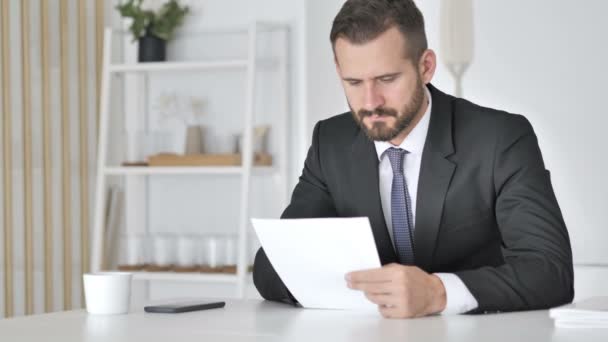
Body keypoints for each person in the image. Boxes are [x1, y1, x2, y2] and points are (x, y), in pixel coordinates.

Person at [253, 0, 573, 318]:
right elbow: (272, 268)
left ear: (426, 67)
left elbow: (550, 271)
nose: (370, 102)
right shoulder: (330, 142)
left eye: (387, 79)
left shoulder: (500, 138)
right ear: (339, 72)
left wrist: (439, 293)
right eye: (353, 82)